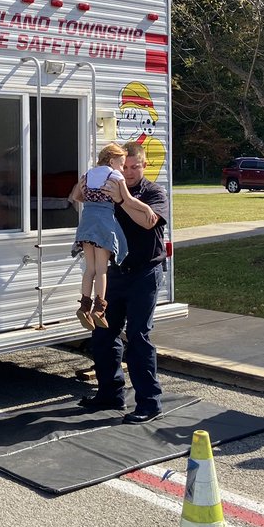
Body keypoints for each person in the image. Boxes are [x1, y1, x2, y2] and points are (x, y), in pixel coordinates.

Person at [78, 141, 165, 424]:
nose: (127, 172)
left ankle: (149, 403)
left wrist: (123, 200)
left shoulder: (154, 192)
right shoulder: (110, 183)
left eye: (134, 167)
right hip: (115, 272)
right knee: (103, 334)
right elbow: (84, 201)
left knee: (138, 337)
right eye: (123, 166)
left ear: (144, 165)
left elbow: (147, 223)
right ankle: (110, 393)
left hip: (145, 273)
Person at [68, 143, 145, 329]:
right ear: (112, 161)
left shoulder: (87, 175)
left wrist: (92, 200)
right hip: (103, 225)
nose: (123, 169)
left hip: (87, 224)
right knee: (102, 270)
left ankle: (84, 306)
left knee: (90, 269)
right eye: (121, 164)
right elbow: (128, 200)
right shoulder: (114, 175)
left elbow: (75, 196)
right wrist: (146, 208)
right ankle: (99, 309)